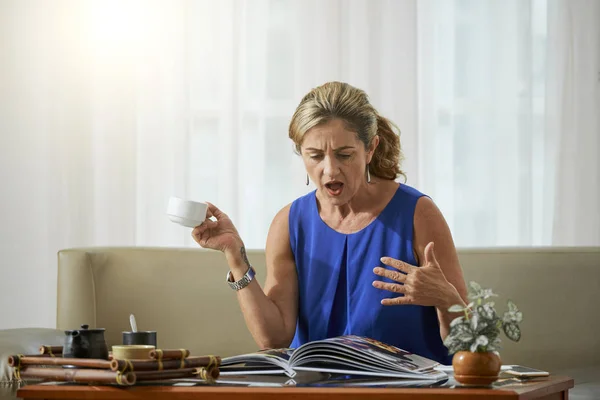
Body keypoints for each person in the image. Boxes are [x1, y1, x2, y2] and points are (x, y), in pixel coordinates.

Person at [192, 81, 468, 365]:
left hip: (407, 393)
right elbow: (273, 340)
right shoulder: (289, 223)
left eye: (344, 155)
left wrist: (447, 300)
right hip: (317, 390)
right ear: (301, 154)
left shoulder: (418, 213)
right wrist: (236, 258)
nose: (330, 169)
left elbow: (467, 343)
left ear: (370, 148)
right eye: (315, 156)